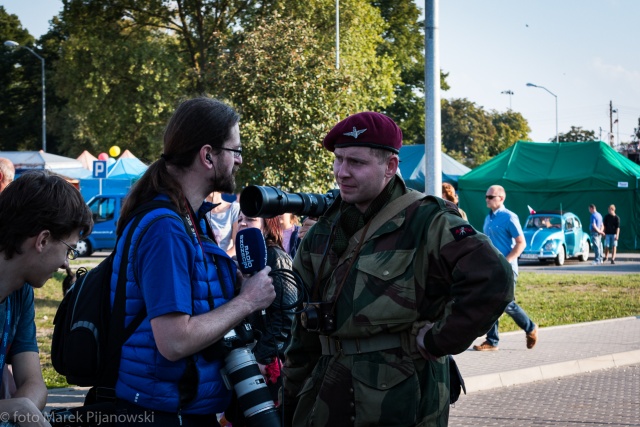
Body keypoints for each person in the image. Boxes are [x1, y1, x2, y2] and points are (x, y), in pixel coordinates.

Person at [281, 112, 514, 426]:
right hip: (328, 399)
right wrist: (290, 397)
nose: (342, 173)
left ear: (390, 167)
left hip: (400, 401)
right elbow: (303, 332)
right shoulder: (323, 233)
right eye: (338, 160)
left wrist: (438, 340)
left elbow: (493, 279)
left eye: (356, 163)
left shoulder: (427, 222)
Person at [110, 97, 275, 426]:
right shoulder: (166, 228)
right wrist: (247, 301)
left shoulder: (187, 219)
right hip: (164, 413)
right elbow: (174, 341)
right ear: (208, 155)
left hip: (178, 406)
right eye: (235, 150)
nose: (240, 161)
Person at [0, 171, 92, 426]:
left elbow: (34, 384)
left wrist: (20, 407)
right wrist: (14, 408)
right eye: (68, 250)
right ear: (42, 240)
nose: (65, 263)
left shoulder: (21, 292)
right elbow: (21, 406)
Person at [225, 212, 297, 425]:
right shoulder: (241, 260)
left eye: (251, 219)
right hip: (244, 357)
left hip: (266, 363)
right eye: (239, 219)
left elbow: (287, 315)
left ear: (268, 225)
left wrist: (262, 358)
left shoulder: (276, 257)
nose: (243, 222)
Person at [473, 185, 538, 352]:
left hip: (506, 269)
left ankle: (530, 327)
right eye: (486, 196)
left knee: (506, 303)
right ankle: (492, 341)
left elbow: (521, 243)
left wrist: (506, 261)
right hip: (491, 268)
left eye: (490, 196)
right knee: (489, 303)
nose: (486, 199)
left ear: (501, 198)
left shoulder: (510, 217)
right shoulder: (489, 218)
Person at [206, 191, 240, 257]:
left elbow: (236, 247)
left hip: (223, 262)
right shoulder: (197, 209)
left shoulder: (234, 208)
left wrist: (220, 261)